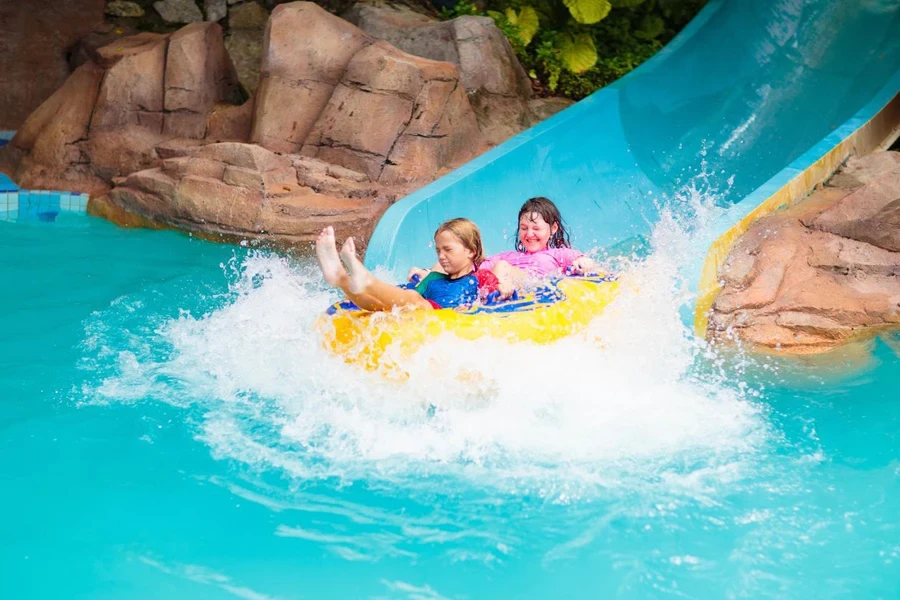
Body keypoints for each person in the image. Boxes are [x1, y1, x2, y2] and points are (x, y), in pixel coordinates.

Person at [409, 197, 596, 299]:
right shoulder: (508, 255)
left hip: (530, 285)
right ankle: (423, 282)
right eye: (524, 228)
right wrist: (427, 271)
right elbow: (475, 264)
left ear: (553, 228)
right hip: (489, 283)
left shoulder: (557, 254)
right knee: (454, 256)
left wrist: (583, 263)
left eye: (536, 228)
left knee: (502, 266)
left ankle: (496, 296)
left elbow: (582, 259)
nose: (529, 234)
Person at [316, 219, 498, 312]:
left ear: (471, 251)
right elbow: (401, 297)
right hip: (421, 316)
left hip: (446, 320)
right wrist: (358, 299)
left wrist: (479, 305)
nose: (441, 256)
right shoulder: (434, 279)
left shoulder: (480, 277)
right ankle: (340, 278)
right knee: (385, 304)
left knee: (419, 304)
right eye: (438, 251)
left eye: (448, 250)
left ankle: (367, 281)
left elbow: (496, 298)